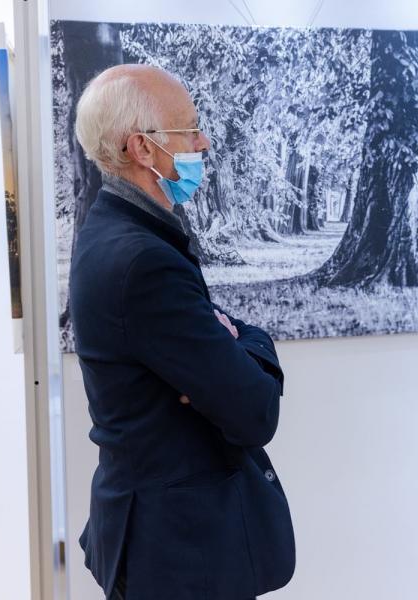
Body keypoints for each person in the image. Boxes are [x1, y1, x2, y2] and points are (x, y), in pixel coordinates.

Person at [69, 64, 295, 600]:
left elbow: (217, 360)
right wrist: (249, 342)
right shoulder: (142, 261)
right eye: (189, 129)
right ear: (142, 148)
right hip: (179, 555)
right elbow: (254, 410)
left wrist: (230, 342)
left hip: (156, 535)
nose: (203, 141)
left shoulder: (112, 228)